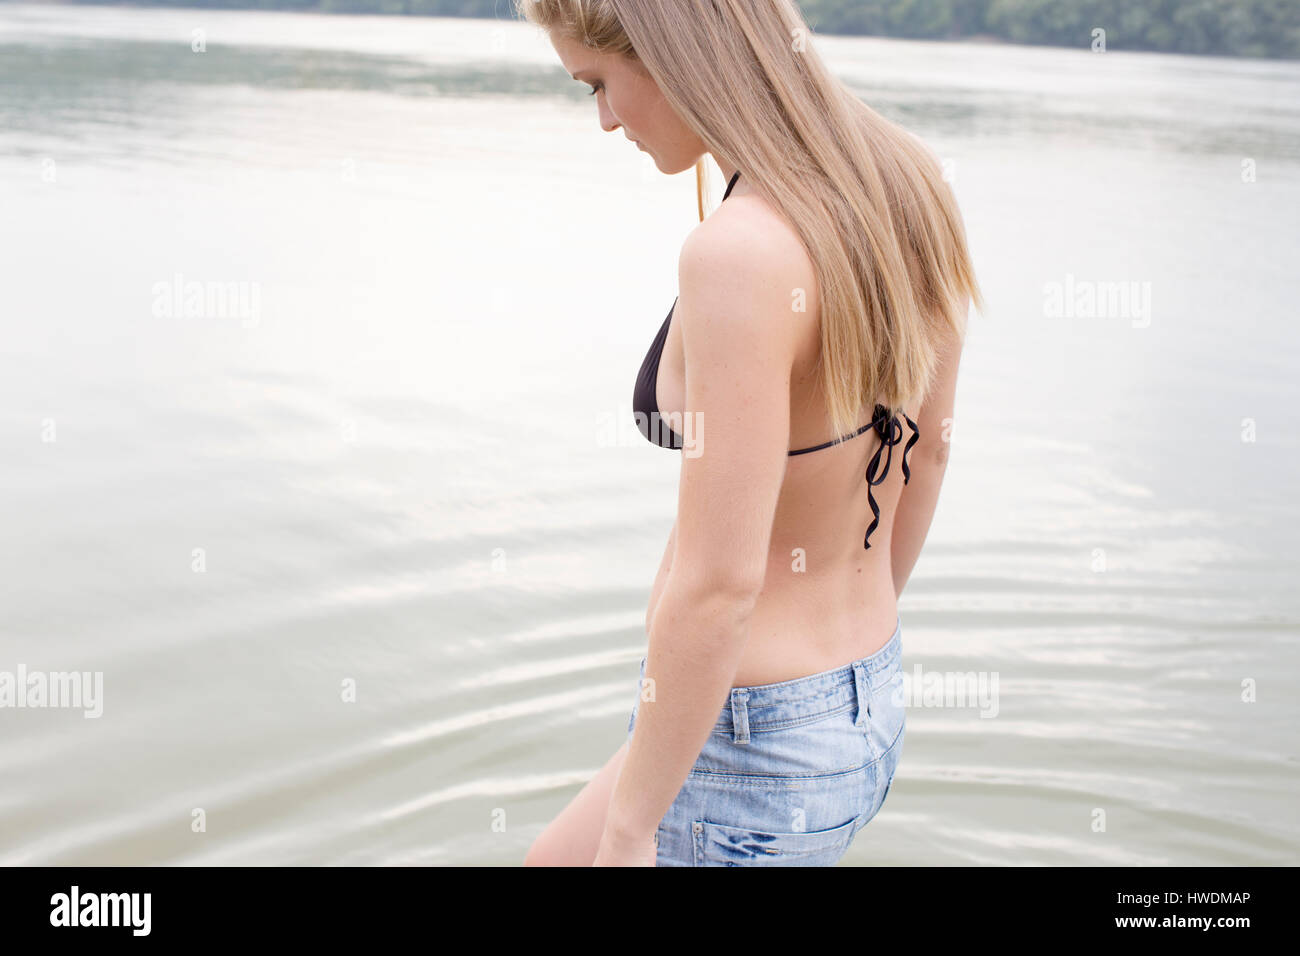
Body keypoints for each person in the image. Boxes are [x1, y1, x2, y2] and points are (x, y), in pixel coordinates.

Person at [517, 0, 983, 866]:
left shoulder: (739, 254)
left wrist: (629, 833)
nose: (606, 118)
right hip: (853, 701)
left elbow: (720, 584)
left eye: (600, 84)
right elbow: (929, 446)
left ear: (670, 54)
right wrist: (835, 680)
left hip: (746, 739)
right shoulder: (912, 180)